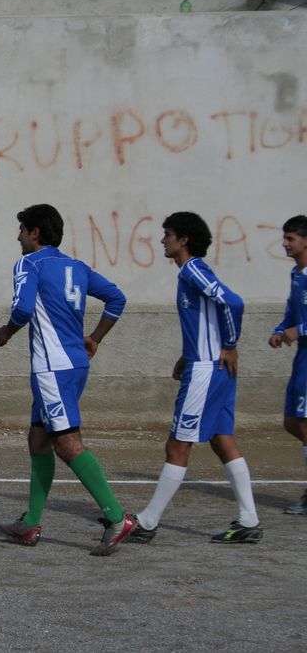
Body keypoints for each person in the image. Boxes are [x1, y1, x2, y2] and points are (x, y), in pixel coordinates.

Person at [0, 203, 135, 556]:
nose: (18, 237)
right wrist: (95, 338)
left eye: (22, 230)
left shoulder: (30, 263)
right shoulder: (76, 266)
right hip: (73, 364)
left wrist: (6, 332)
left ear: (35, 233)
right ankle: (31, 522)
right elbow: (116, 299)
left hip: (52, 368)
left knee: (67, 442)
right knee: (38, 438)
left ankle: (117, 519)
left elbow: (23, 309)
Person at [125, 212, 261, 544]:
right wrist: (187, 355)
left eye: (168, 234)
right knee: (221, 439)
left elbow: (233, 302)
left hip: (206, 371)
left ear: (184, 239)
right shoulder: (192, 272)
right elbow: (208, 318)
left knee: (177, 444)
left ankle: (147, 523)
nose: (162, 240)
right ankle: (249, 520)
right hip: (210, 367)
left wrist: (230, 346)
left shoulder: (192, 270)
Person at [268, 214, 307, 515]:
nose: (284, 243)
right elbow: (292, 311)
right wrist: (281, 330)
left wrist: (300, 330)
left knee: (303, 422)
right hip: (302, 358)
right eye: (284, 237)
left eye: (290, 238)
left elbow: (300, 324)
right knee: (292, 422)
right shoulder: (297, 274)